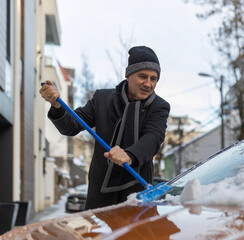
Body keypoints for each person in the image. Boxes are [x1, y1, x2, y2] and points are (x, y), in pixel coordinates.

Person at [39, 46, 170, 210]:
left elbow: (153, 137)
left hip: (137, 194)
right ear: (128, 75)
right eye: (143, 76)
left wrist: (129, 155)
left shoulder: (159, 107)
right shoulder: (102, 99)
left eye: (153, 79)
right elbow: (71, 126)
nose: (148, 84)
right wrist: (57, 105)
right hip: (100, 192)